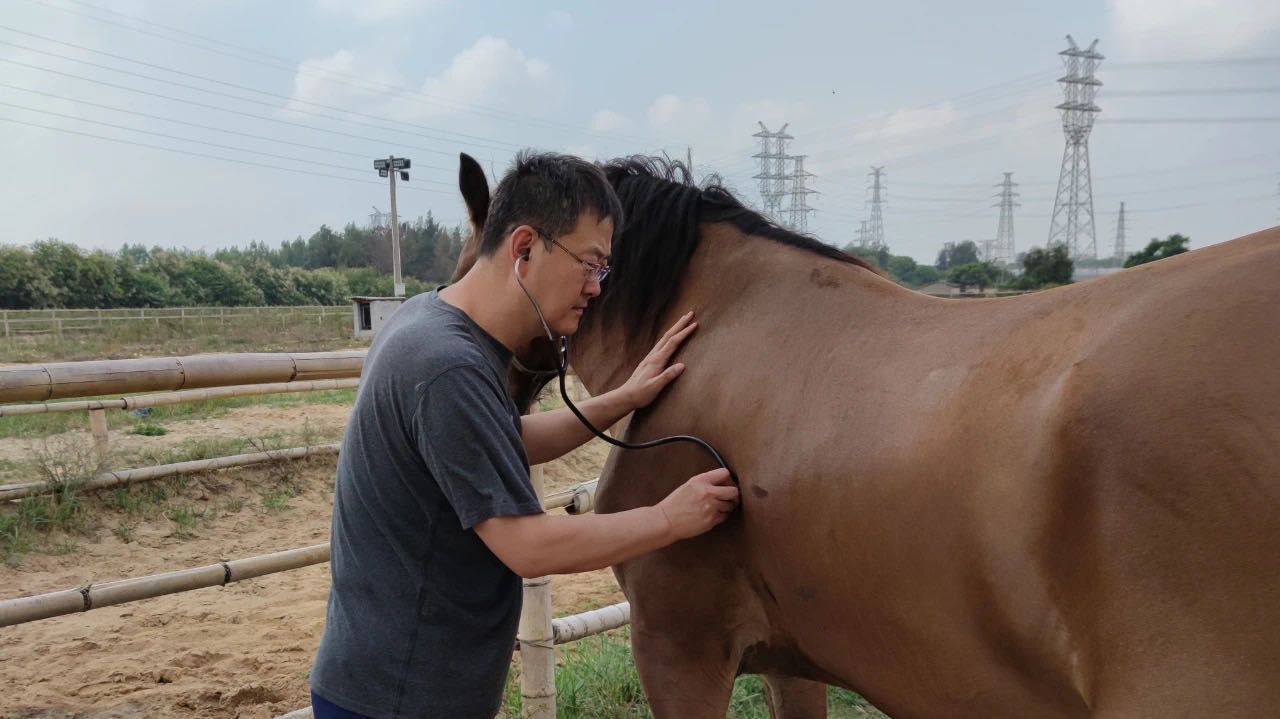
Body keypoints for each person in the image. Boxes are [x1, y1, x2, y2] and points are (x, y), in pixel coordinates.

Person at [309, 151, 739, 718]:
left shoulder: (427, 320)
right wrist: (668, 519)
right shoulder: (449, 366)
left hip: (394, 686)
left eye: (603, 270)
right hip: (402, 698)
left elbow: (497, 439)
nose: (596, 288)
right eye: (590, 265)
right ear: (525, 248)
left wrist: (622, 399)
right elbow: (526, 546)